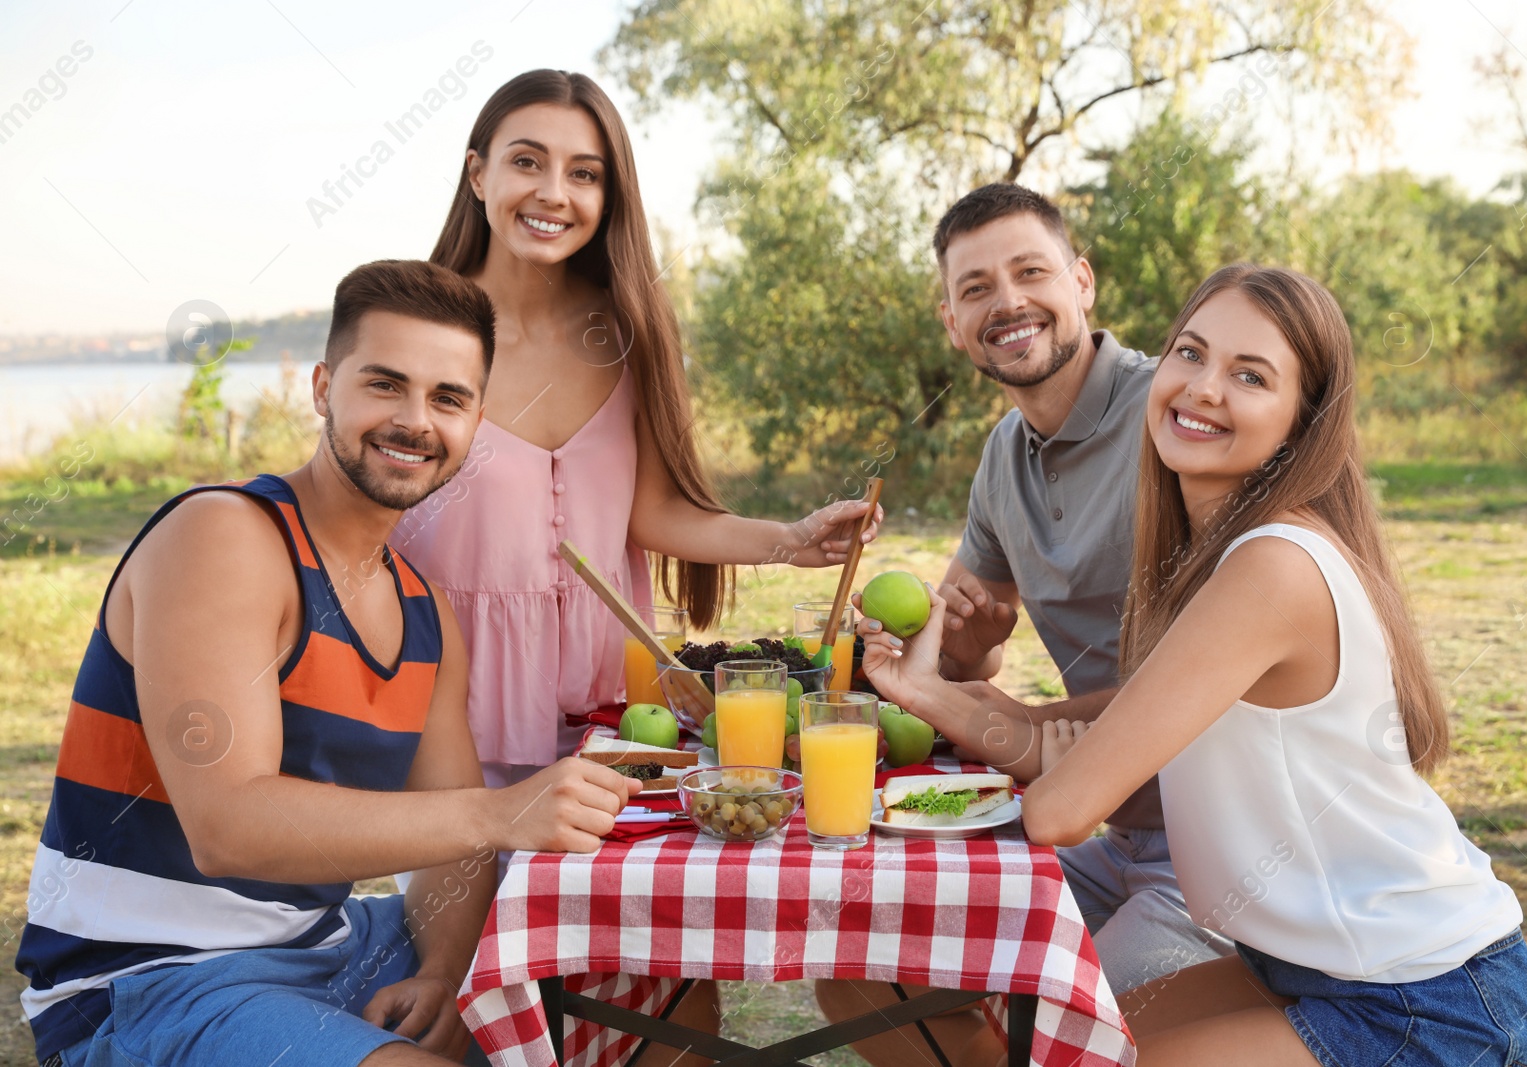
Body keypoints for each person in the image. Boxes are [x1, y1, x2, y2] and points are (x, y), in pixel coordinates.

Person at [860, 264, 1527, 1067]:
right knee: (1050, 1042)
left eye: (1250, 375)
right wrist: (927, 691)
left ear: (1302, 422)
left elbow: (1059, 810)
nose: (1203, 387)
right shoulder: (1217, 560)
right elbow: (1081, 744)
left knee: (1063, 1053)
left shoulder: (1272, 568)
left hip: (1427, 1002)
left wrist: (958, 707)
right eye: (1191, 353)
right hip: (1301, 970)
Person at [16, 260, 643, 1067]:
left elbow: (451, 842)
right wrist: (500, 811)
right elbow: (228, 826)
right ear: (322, 387)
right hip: (148, 983)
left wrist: (450, 971)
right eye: (385, 385)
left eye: (447, 398)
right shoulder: (226, 537)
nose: (415, 420)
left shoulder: (424, 613)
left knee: (639, 975)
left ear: (477, 418)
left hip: (329, 947)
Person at [814, 183, 1226, 1064]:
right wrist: (934, 639)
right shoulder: (1004, 455)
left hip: (1219, 846)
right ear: (951, 325)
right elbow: (970, 644)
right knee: (859, 974)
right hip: (1117, 829)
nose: (1006, 301)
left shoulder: (1175, 420)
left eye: (1029, 271)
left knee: (1059, 1032)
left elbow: (1197, 684)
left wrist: (962, 701)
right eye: (975, 289)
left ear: (1082, 282)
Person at [395, 69, 880, 785]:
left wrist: (792, 538)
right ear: (477, 174)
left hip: (617, 710)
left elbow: (652, 512)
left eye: (583, 173)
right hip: (446, 706)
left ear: (608, 194)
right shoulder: (415, 327)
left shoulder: (630, 330)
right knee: (462, 901)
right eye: (527, 161)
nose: (553, 192)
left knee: (603, 896)